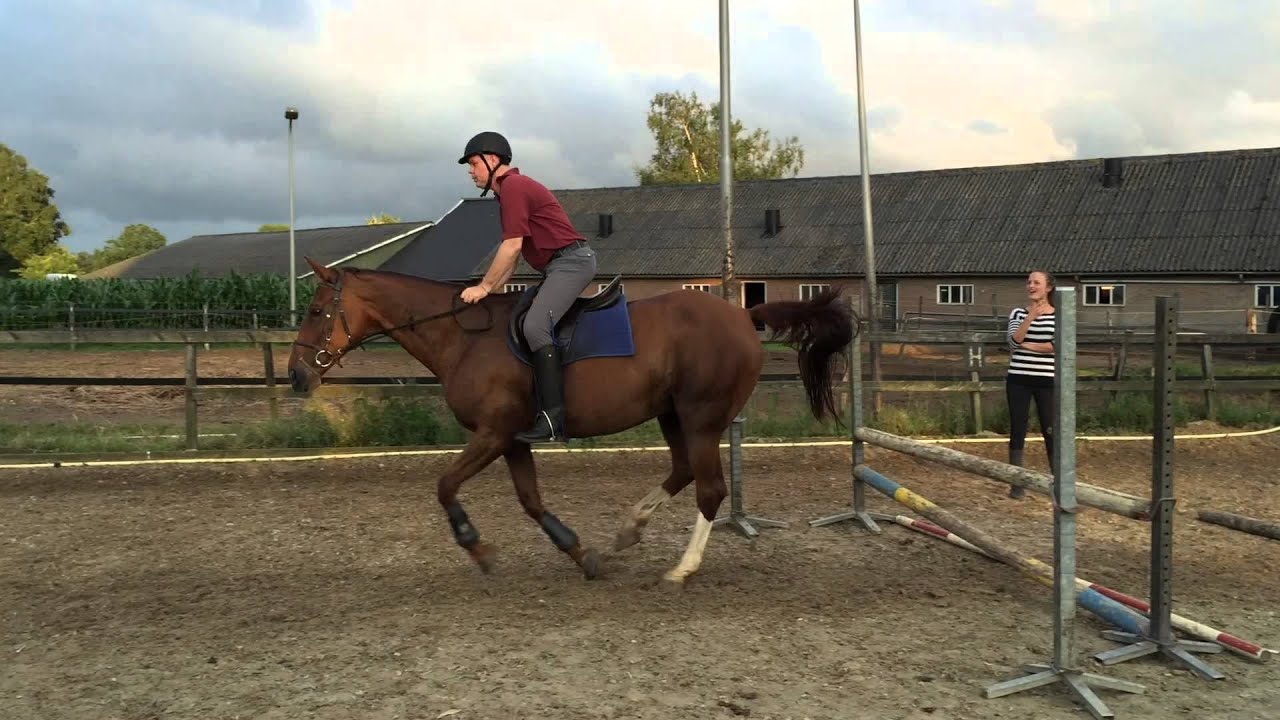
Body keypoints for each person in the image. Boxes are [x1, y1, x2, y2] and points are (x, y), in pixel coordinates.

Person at [456, 131, 597, 443]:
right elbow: (514, 259)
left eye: (473, 163)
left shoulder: (515, 187)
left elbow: (511, 247)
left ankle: (553, 417)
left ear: (493, 161)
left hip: (570, 263)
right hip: (557, 266)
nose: (470, 170)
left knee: (535, 326)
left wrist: (483, 286)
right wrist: (493, 291)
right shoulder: (508, 192)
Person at [1005, 270, 1057, 499]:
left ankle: (1059, 484)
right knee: (1018, 428)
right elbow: (1013, 341)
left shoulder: (1059, 315)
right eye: (1029, 282)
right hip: (1018, 380)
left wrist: (1025, 345)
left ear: (1048, 288)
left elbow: (1054, 347)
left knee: (1051, 430)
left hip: (1047, 380)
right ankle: (1017, 485)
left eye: (1037, 282)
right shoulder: (1017, 312)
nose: (1031, 285)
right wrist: (1030, 317)